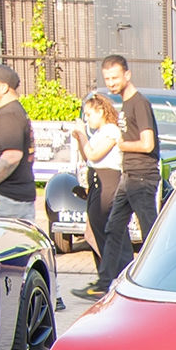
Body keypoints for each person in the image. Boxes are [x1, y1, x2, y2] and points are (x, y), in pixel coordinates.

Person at [76, 54, 159, 299]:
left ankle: (155, 282)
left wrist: (120, 144)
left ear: (127, 75)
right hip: (128, 176)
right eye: (107, 79)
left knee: (150, 232)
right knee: (113, 228)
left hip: (142, 177)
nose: (111, 83)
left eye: (115, 78)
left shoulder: (138, 103)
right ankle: (104, 284)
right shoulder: (125, 104)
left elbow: (147, 144)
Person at [0, 63, 37, 221]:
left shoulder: (9, 114)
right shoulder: (14, 111)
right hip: (14, 197)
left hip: (8, 199)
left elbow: (12, 155)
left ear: (4, 87)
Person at [71, 92, 122, 267]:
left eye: (89, 114)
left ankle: (111, 272)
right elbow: (88, 158)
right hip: (96, 182)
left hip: (108, 184)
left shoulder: (112, 131)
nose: (87, 119)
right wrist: (80, 139)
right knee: (94, 228)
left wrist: (83, 134)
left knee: (103, 228)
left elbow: (95, 154)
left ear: (101, 111)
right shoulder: (100, 132)